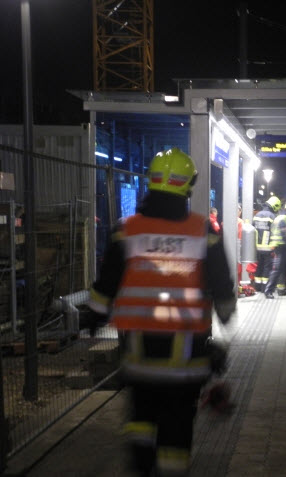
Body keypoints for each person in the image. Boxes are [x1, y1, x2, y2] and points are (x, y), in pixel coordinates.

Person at [86, 148, 236, 476]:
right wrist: (226, 316)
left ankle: (142, 465)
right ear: (187, 185)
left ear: (152, 181)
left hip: (138, 355)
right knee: (177, 424)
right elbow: (222, 284)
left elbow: (105, 285)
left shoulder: (126, 230)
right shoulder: (203, 231)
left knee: (141, 416)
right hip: (187, 359)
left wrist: (93, 317)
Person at [252, 196, 280, 292]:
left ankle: (257, 286)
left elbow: (253, 229)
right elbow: (275, 232)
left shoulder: (257, 215)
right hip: (268, 247)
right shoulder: (272, 216)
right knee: (267, 267)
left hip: (257, 246)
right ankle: (265, 287)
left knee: (259, 265)